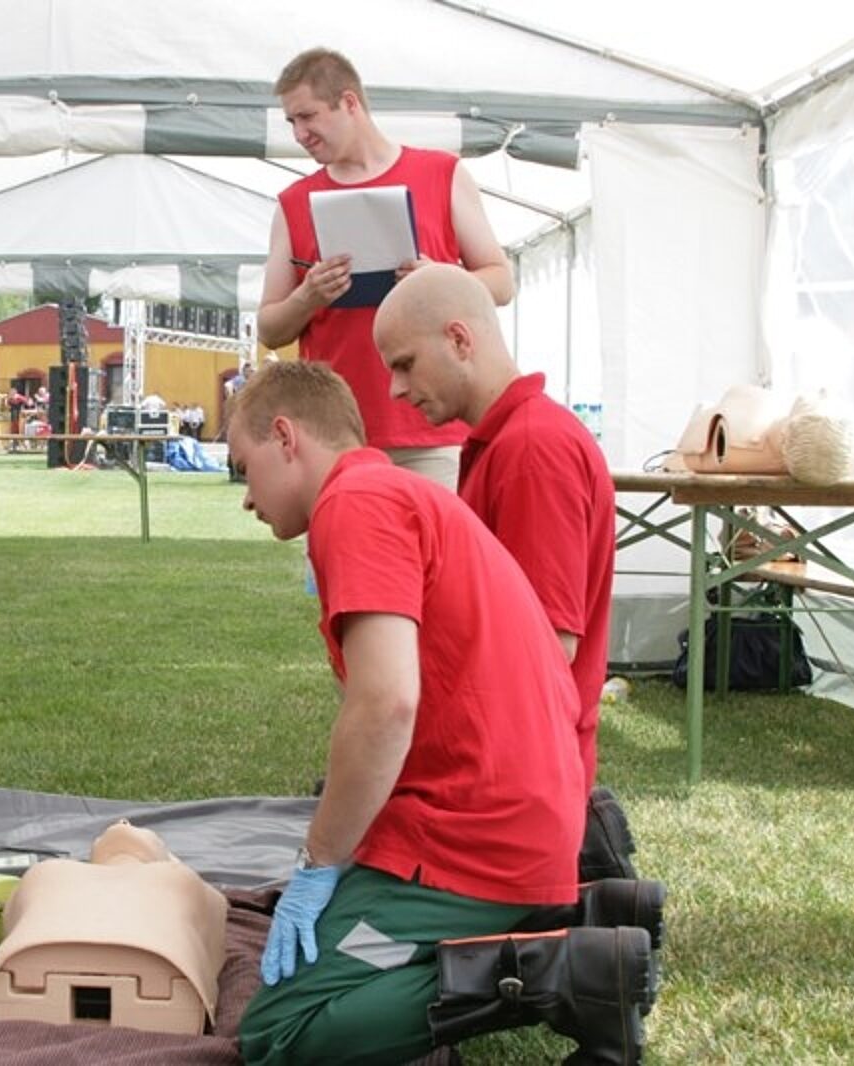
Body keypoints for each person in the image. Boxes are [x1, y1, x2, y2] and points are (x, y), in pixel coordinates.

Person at [227, 362, 653, 1064]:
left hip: (473, 836)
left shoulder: (354, 504)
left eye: (244, 468)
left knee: (281, 1032)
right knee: (356, 957)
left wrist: (317, 863)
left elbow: (386, 705)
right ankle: (563, 925)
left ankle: (554, 976)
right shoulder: (394, 493)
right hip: (510, 818)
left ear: (285, 436)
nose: (247, 497)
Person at [375, 265, 637, 881]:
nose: (395, 390)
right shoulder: (511, 440)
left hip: (509, 790)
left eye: (405, 364)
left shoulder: (531, 449)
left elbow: (546, 649)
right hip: (505, 771)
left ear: (460, 339)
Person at [256, 47, 514, 492]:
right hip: (335, 436)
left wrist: (438, 280)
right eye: (291, 121)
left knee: (438, 540)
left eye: (308, 116)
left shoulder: (443, 174)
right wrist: (308, 297)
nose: (299, 134)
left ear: (349, 103)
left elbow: (502, 281)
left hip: (435, 429)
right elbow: (269, 328)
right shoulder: (293, 203)